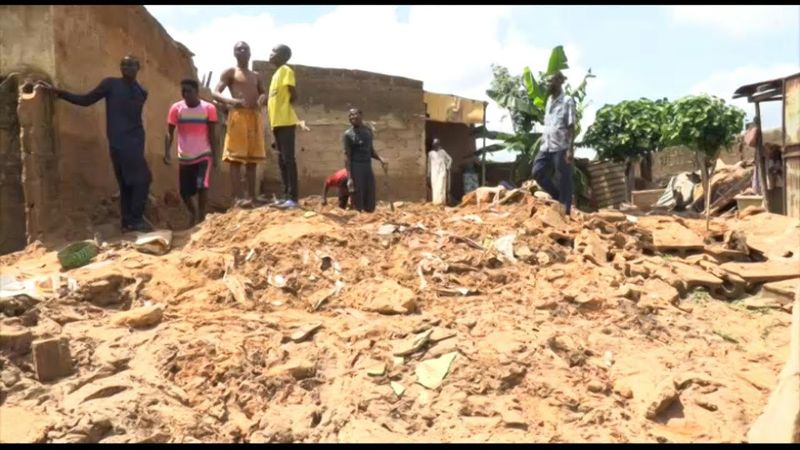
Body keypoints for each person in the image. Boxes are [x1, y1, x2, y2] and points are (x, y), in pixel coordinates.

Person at [36, 55, 153, 233]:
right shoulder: (110, 84)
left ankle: (128, 222)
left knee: (129, 183)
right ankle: (135, 219)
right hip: (120, 142)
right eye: (123, 64)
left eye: (130, 64)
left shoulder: (141, 92)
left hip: (135, 141)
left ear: (139, 67)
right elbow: (86, 100)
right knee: (143, 179)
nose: (126, 67)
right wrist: (59, 93)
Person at [212, 41, 266, 208]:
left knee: (252, 160)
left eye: (245, 48)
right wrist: (232, 101)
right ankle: (237, 198)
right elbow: (215, 92)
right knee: (235, 159)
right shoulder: (230, 72)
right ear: (234, 53)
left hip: (254, 116)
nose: (242, 51)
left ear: (250, 53)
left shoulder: (256, 75)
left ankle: (252, 197)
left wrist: (262, 99)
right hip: (238, 116)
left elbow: (263, 92)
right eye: (238, 49)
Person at [163, 79, 218, 226]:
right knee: (184, 193)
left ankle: (201, 217)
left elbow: (213, 134)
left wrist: (215, 156)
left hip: (203, 155)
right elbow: (169, 133)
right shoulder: (176, 108)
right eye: (183, 91)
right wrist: (167, 152)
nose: (186, 94)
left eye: (189, 91)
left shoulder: (209, 108)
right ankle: (193, 213)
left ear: (196, 92)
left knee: (202, 185)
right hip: (185, 157)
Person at [531, 70, 576, 215]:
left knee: (564, 178)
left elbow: (571, 126)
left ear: (559, 82)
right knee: (537, 172)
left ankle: (565, 210)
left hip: (561, 146)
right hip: (546, 145)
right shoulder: (549, 101)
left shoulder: (568, 100)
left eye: (550, 81)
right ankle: (557, 196)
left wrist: (570, 149)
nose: (547, 85)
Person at [267, 44, 301, 209]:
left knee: (288, 159)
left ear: (284, 56)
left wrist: (284, 109)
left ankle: (293, 198)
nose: (271, 53)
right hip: (277, 124)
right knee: (281, 161)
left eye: (274, 51)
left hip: (286, 122)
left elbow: (293, 95)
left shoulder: (286, 70)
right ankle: (285, 195)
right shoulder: (275, 75)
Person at [343, 108, 387, 213]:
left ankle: (369, 215)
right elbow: (347, 156)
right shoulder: (348, 134)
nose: (352, 117)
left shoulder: (368, 131)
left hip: (367, 166)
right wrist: (349, 177)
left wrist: (381, 159)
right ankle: (358, 215)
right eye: (350, 115)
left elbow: (370, 150)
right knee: (358, 192)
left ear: (361, 116)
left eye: (354, 114)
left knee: (370, 190)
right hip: (356, 166)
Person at [427, 138, 453, 206]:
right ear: (433, 145)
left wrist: (447, 167)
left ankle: (442, 202)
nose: (435, 145)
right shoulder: (430, 153)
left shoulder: (442, 152)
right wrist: (428, 174)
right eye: (434, 144)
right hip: (434, 172)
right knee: (435, 187)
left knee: (441, 186)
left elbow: (450, 159)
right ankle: (436, 202)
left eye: (437, 144)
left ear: (438, 144)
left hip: (442, 171)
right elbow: (429, 164)